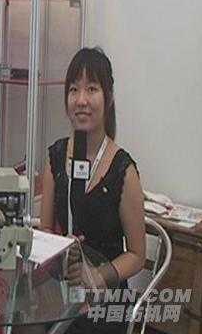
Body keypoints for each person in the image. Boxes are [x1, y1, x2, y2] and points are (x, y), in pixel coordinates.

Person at [40, 47, 146, 333]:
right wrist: (59, 259)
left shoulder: (123, 170)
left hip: (106, 301)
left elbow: (137, 254)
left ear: (108, 97)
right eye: (74, 89)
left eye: (92, 89)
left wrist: (97, 277)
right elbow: (45, 231)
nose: (81, 100)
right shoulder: (55, 157)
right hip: (61, 291)